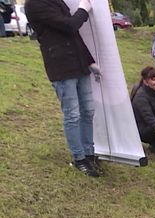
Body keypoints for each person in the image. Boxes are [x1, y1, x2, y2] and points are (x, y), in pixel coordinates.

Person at [26, 0, 102, 177]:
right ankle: (79, 158)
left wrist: (89, 60)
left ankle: (89, 153)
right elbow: (69, 26)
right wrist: (83, 9)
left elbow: (74, 35)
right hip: (60, 66)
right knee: (73, 114)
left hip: (79, 63)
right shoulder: (34, 5)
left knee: (88, 110)